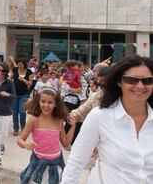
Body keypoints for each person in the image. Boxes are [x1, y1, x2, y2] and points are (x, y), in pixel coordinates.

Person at [61, 55, 153, 183]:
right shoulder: (99, 116)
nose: (140, 86)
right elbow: (75, 163)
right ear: (119, 82)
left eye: (147, 80)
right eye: (131, 80)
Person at [17, 87, 76, 184]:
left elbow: (66, 143)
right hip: (38, 164)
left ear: (55, 104)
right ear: (38, 102)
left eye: (50, 102)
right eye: (43, 101)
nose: (46, 105)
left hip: (56, 164)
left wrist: (73, 126)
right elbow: (20, 139)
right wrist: (25, 145)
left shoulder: (59, 121)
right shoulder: (34, 120)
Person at [12, 59, 33, 136]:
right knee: (15, 112)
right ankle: (15, 129)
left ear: (24, 65)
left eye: (21, 65)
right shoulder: (15, 69)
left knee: (22, 111)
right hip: (14, 94)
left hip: (24, 94)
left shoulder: (29, 71)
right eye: (18, 65)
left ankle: (23, 128)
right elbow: (12, 77)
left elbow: (30, 84)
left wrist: (23, 80)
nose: (19, 66)